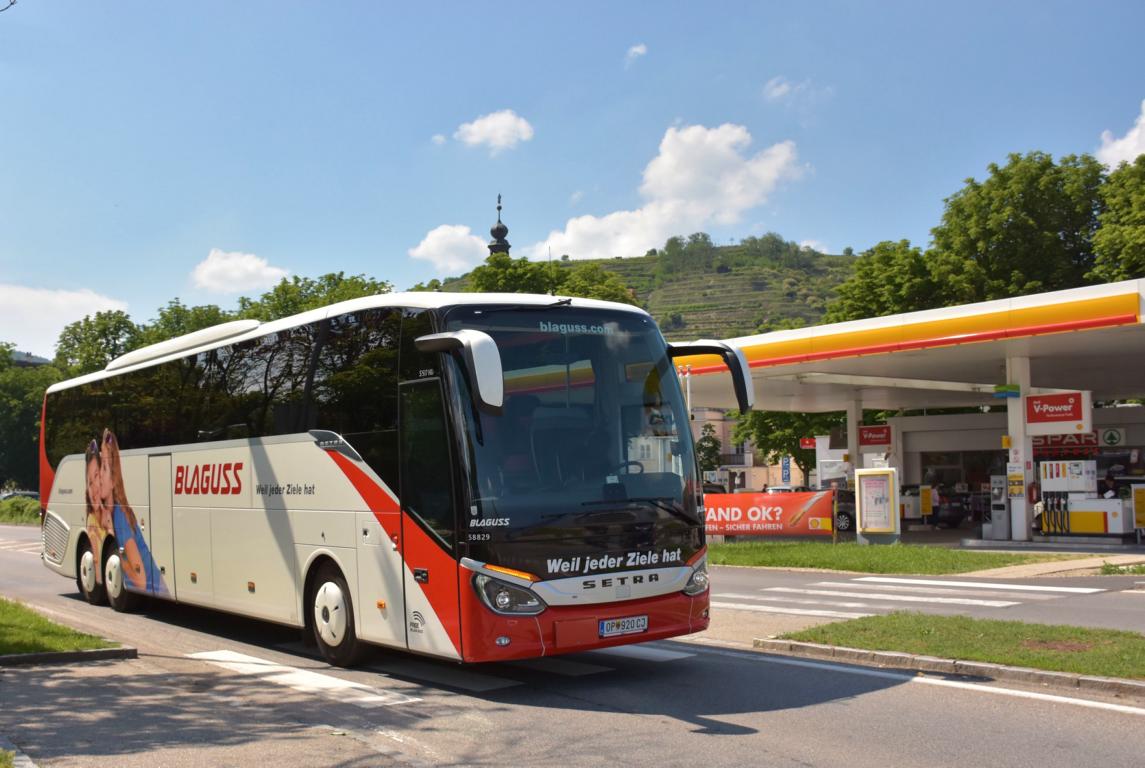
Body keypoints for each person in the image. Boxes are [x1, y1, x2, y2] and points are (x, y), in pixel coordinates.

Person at [100, 429, 167, 595]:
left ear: (113, 480)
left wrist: (120, 558)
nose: (99, 475)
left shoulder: (119, 516)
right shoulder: (117, 510)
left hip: (158, 588)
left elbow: (141, 581)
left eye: (104, 467)